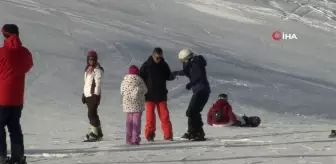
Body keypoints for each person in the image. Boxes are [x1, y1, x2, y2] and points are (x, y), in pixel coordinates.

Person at [0, 24, 33, 164]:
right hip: (17, 98)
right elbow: (29, 65)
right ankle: (18, 157)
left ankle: (1, 156)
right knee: (15, 127)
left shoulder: (2, 52)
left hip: (1, 97)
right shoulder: (25, 53)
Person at [173, 48, 210, 141]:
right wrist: (176, 73)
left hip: (201, 90)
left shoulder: (195, 64)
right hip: (201, 90)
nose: (181, 62)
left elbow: (198, 75)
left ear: (186, 58)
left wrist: (191, 84)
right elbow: (188, 72)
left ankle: (198, 133)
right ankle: (193, 132)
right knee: (193, 112)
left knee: (191, 112)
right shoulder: (193, 63)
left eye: (182, 60)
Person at [139, 47, 175, 141]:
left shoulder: (164, 65)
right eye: (157, 57)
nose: (159, 59)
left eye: (160, 57)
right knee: (150, 117)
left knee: (165, 116)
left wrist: (172, 76)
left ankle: (168, 135)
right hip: (149, 95)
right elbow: (140, 77)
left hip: (161, 95)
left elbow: (168, 76)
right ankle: (150, 135)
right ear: (153, 55)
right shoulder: (146, 65)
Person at [120, 65, 147, 145]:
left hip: (127, 105)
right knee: (136, 123)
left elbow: (121, 91)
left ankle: (128, 139)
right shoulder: (139, 80)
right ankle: (135, 139)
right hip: (137, 106)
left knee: (129, 123)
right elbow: (145, 90)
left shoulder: (124, 80)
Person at [82, 50, 104, 142]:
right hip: (88, 95)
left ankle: (94, 133)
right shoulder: (87, 69)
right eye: (90, 59)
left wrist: (96, 95)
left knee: (91, 114)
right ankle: (98, 132)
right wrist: (84, 94)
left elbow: (98, 84)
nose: (91, 61)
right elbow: (86, 83)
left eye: (93, 59)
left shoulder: (97, 70)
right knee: (93, 113)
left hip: (94, 95)